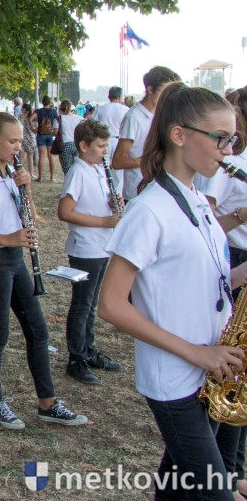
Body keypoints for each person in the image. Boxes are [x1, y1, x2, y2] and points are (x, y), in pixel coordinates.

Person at [99, 83, 247, 500]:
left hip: (209, 370)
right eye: (221, 138)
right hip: (178, 377)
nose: (228, 151)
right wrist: (197, 353)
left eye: (233, 139)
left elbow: (209, 281)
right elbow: (111, 305)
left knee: (177, 487)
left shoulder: (198, 200)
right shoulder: (150, 209)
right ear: (179, 135)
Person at [0, 112, 88, 430]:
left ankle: (48, 403)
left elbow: (30, 216)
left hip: (13, 259)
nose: (18, 147)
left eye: (19, 141)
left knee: (37, 331)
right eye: (12, 141)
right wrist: (7, 239)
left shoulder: (9, 173)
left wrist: (26, 188)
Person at [200, 85, 247, 481]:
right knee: (233, 371)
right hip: (232, 255)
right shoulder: (231, 165)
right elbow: (207, 222)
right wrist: (242, 215)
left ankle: (235, 469)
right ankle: (226, 471)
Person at [57, 120, 123, 385]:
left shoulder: (97, 169)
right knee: (82, 304)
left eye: (106, 146)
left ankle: (89, 350)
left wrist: (115, 205)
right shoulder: (78, 172)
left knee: (91, 304)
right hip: (85, 248)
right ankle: (76, 359)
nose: (105, 151)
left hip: (101, 246)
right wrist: (104, 221)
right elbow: (65, 212)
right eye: (100, 146)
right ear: (84, 146)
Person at [112, 66, 180, 201]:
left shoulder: (162, 114)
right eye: (163, 91)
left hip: (158, 190)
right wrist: (153, 159)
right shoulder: (133, 117)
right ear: (150, 90)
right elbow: (118, 161)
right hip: (137, 194)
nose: (167, 96)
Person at [93, 86, 129, 188]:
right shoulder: (126, 109)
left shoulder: (101, 108)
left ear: (109, 96)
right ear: (120, 97)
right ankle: (118, 193)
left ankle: (104, 189)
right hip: (119, 140)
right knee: (118, 170)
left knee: (103, 167)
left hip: (104, 140)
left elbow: (93, 124)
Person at [33, 96, 58, 182]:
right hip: (50, 135)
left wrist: (33, 128)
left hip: (41, 134)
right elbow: (57, 122)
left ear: (42, 102)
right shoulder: (54, 111)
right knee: (51, 156)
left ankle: (40, 177)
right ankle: (52, 177)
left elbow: (30, 119)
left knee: (41, 157)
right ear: (49, 102)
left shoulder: (38, 111)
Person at [57, 99, 83, 174]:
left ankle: (69, 180)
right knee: (77, 167)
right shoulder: (77, 117)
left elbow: (55, 132)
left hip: (65, 144)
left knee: (67, 169)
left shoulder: (59, 118)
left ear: (61, 107)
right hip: (76, 144)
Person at [20, 103, 37, 177]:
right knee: (30, 157)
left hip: (22, 138)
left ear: (24, 109)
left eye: (22, 108)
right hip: (31, 138)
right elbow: (34, 128)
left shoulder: (21, 116)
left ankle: (21, 172)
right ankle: (31, 173)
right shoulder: (32, 117)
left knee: (21, 157)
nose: (21, 109)